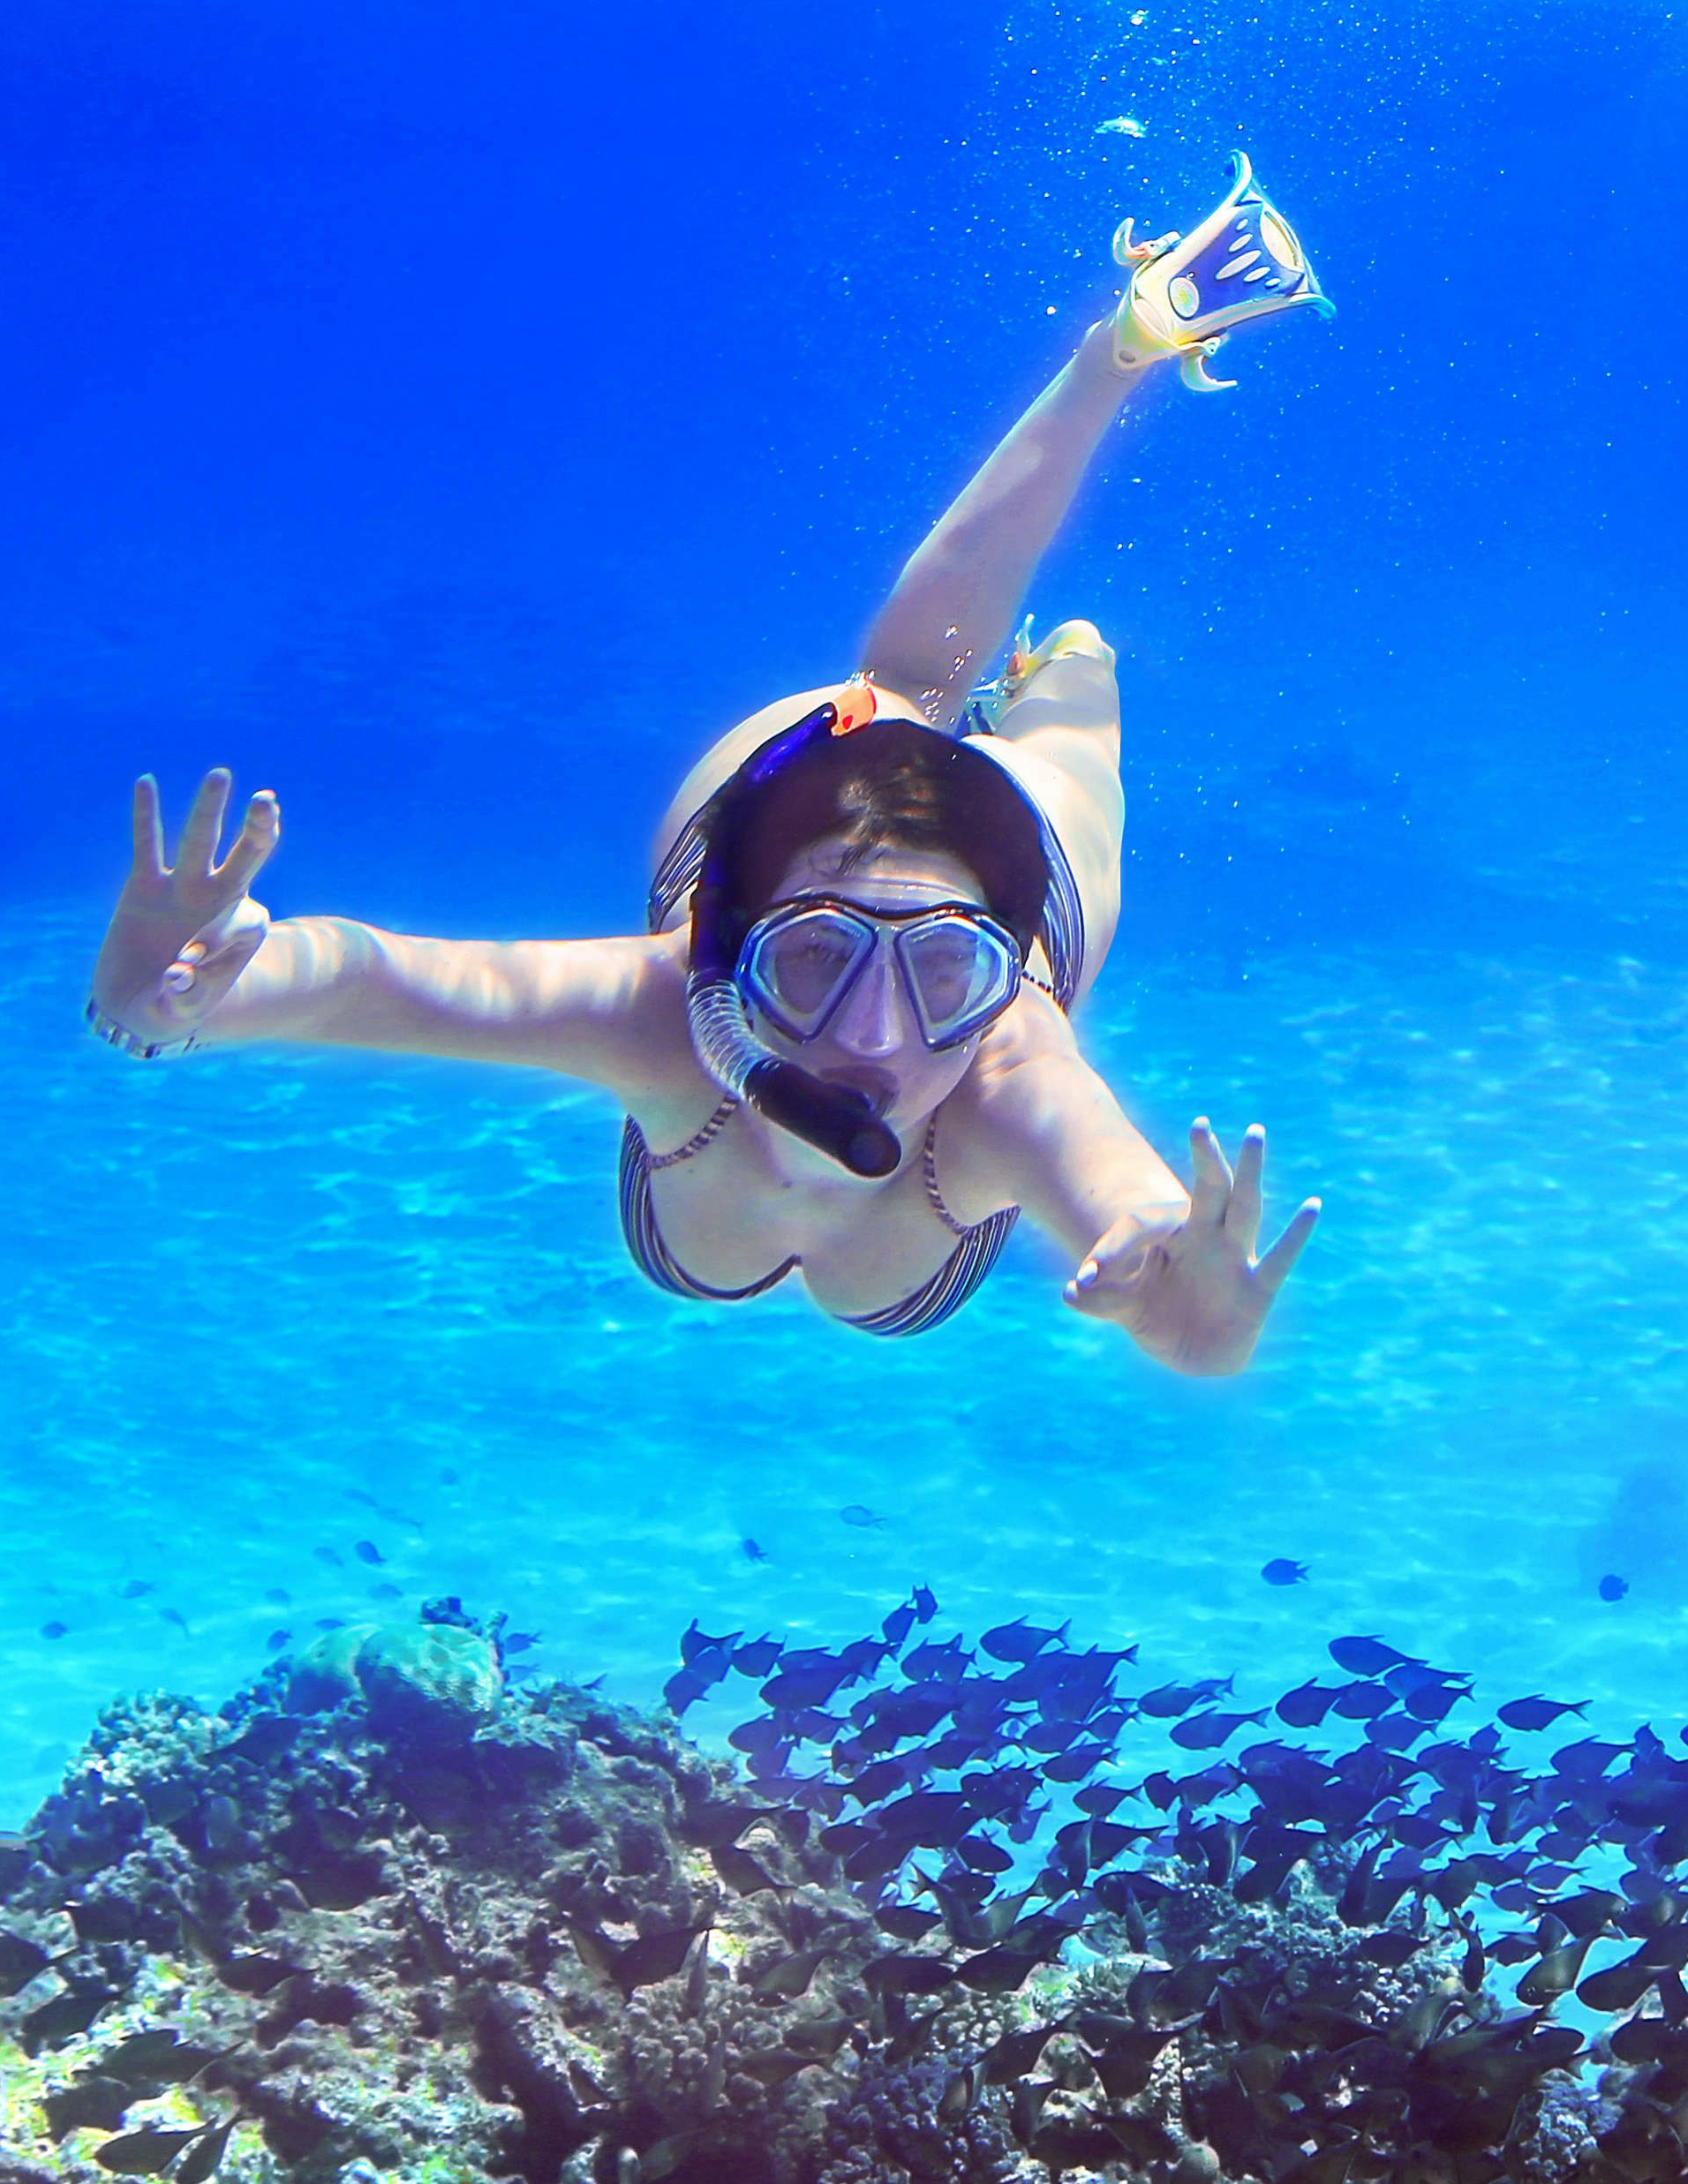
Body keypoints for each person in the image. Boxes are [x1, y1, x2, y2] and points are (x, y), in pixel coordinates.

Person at [79, 163, 1329, 1377]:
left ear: (1004, 980)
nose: (878, 1039)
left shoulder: (1009, 1066)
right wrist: (171, 995)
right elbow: (369, 981)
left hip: (997, 847)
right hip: (789, 802)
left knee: (1060, 736)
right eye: (819, 960)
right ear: (729, 955)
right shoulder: (664, 1013)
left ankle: (1084, 544)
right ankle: (956, 660)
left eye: (948, 969)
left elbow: (1117, 1184)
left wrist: (1179, 1299)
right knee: (902, 689)